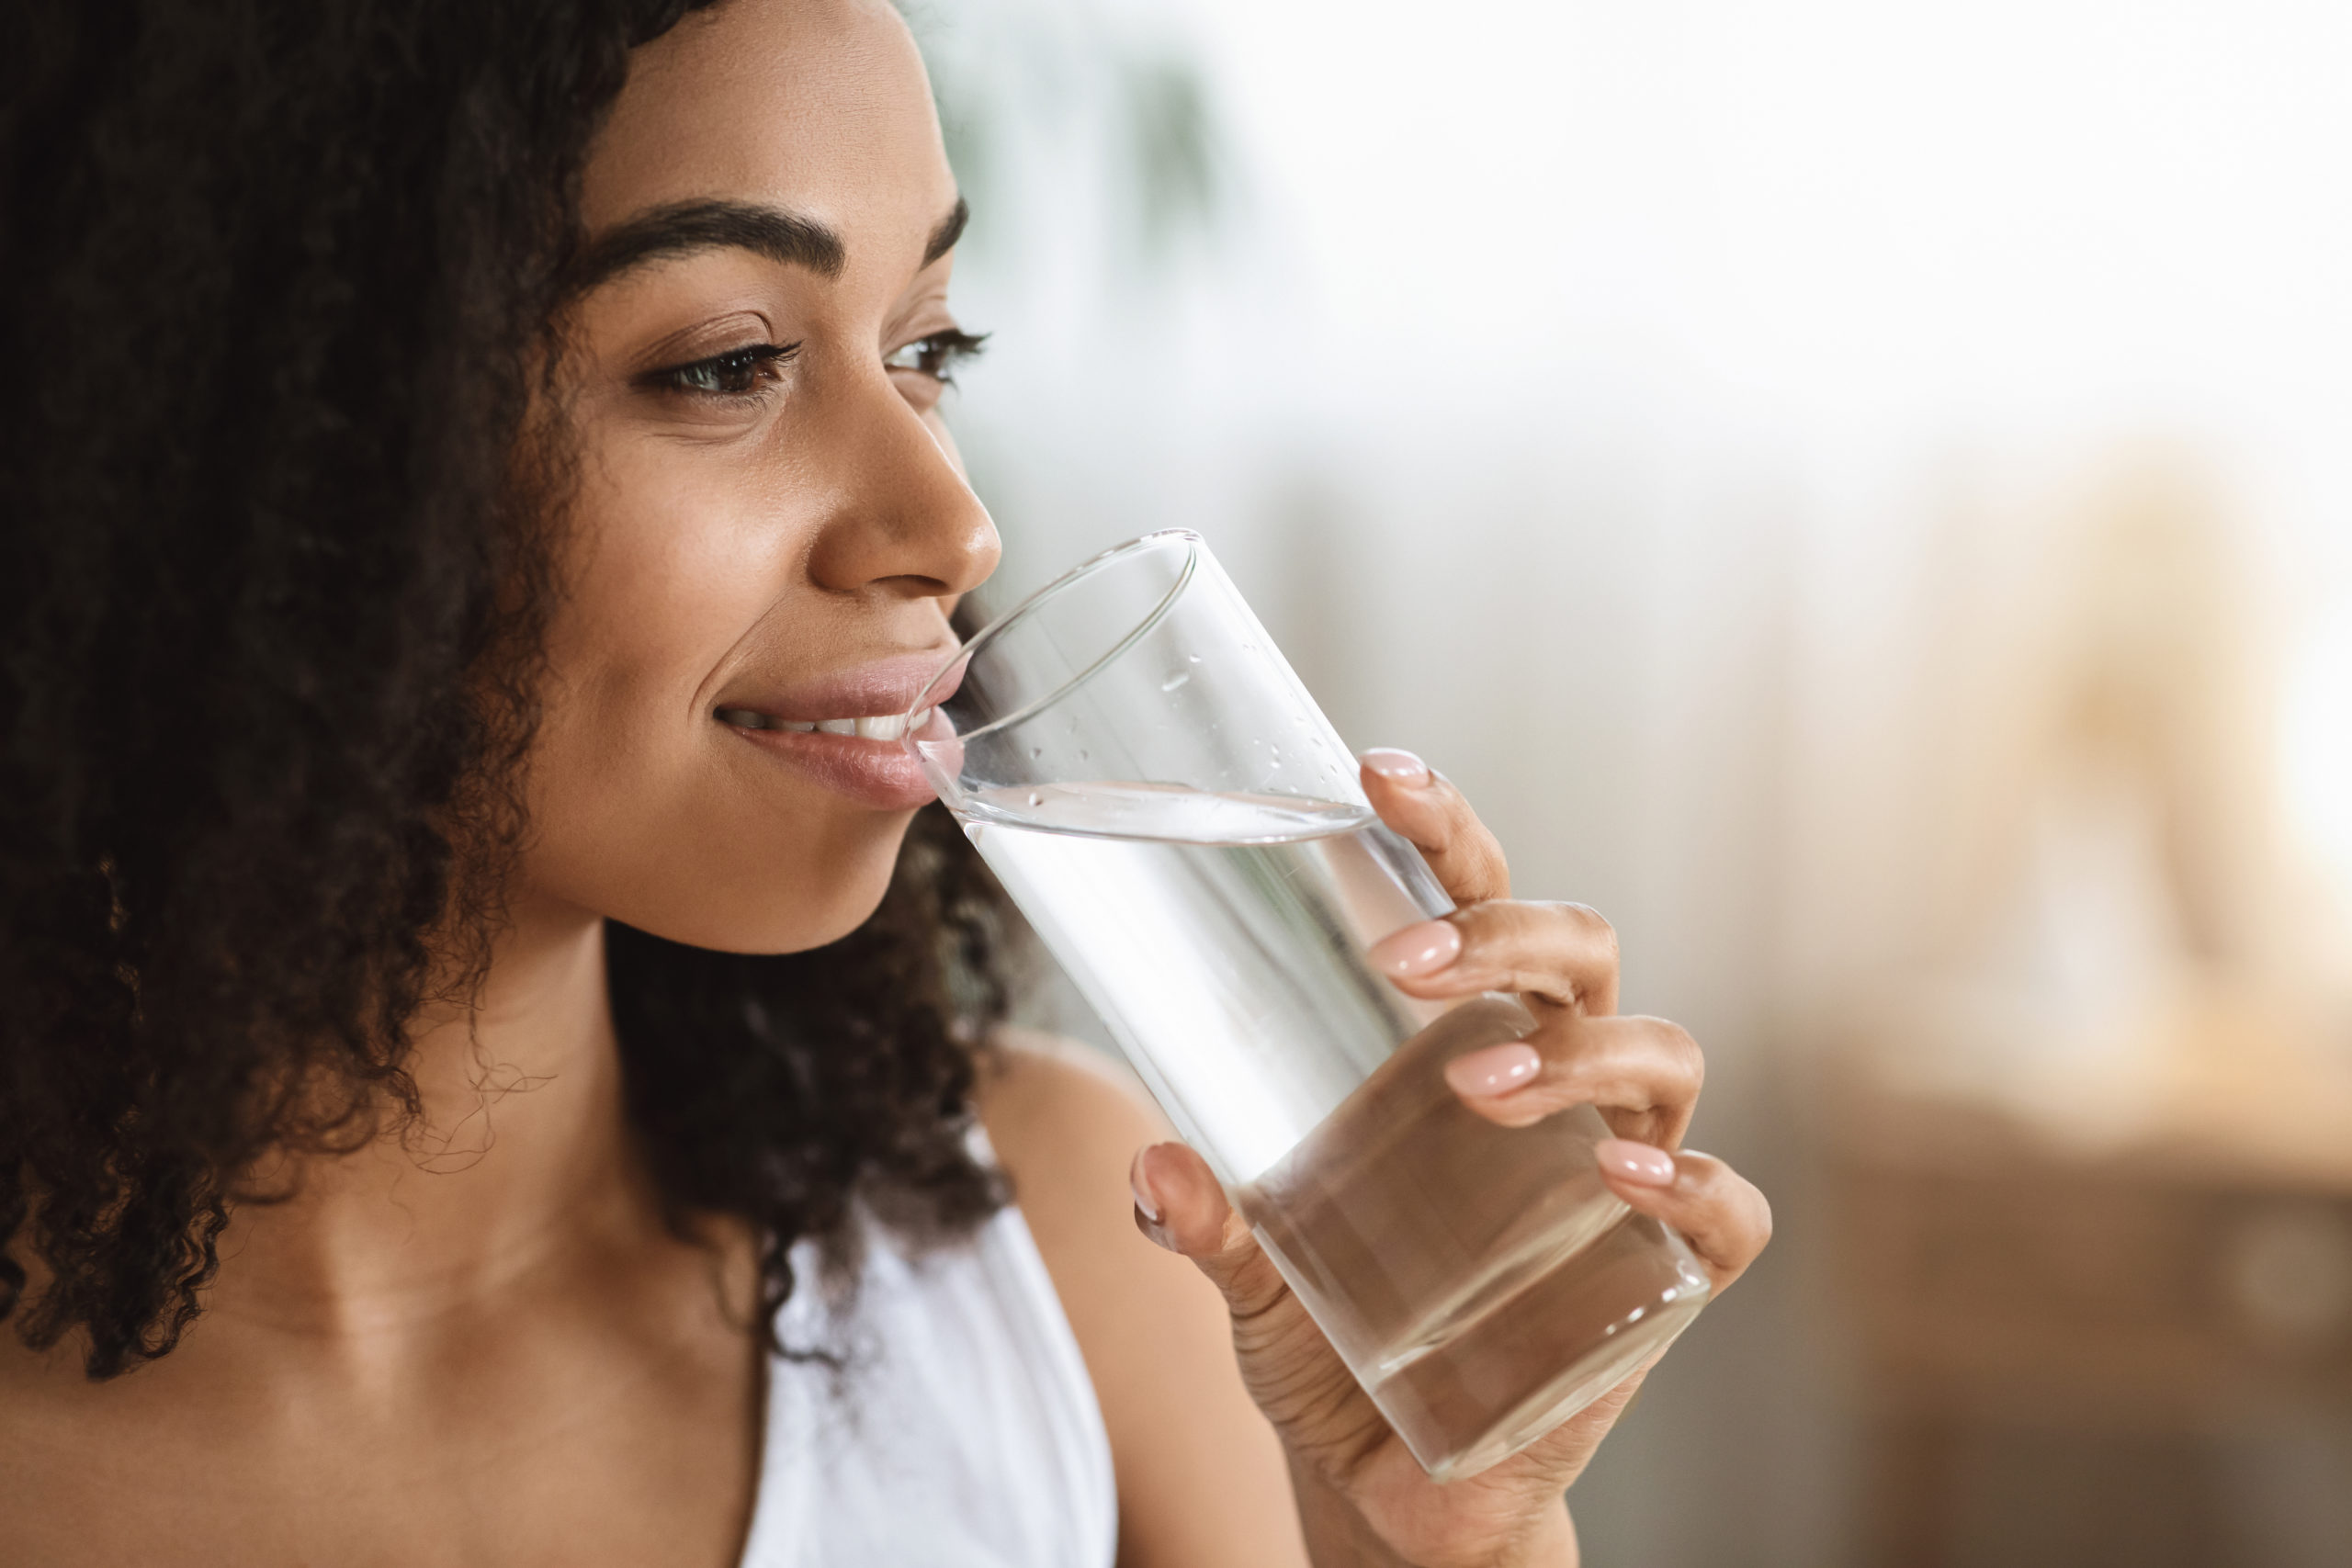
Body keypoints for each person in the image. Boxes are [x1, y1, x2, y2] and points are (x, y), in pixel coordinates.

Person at [0, 2, 1772, 1562]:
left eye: (929, 347)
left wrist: (1447, 1548)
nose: (952, 520)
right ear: (264, 453)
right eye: (729, 365)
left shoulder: (1085, 1252)